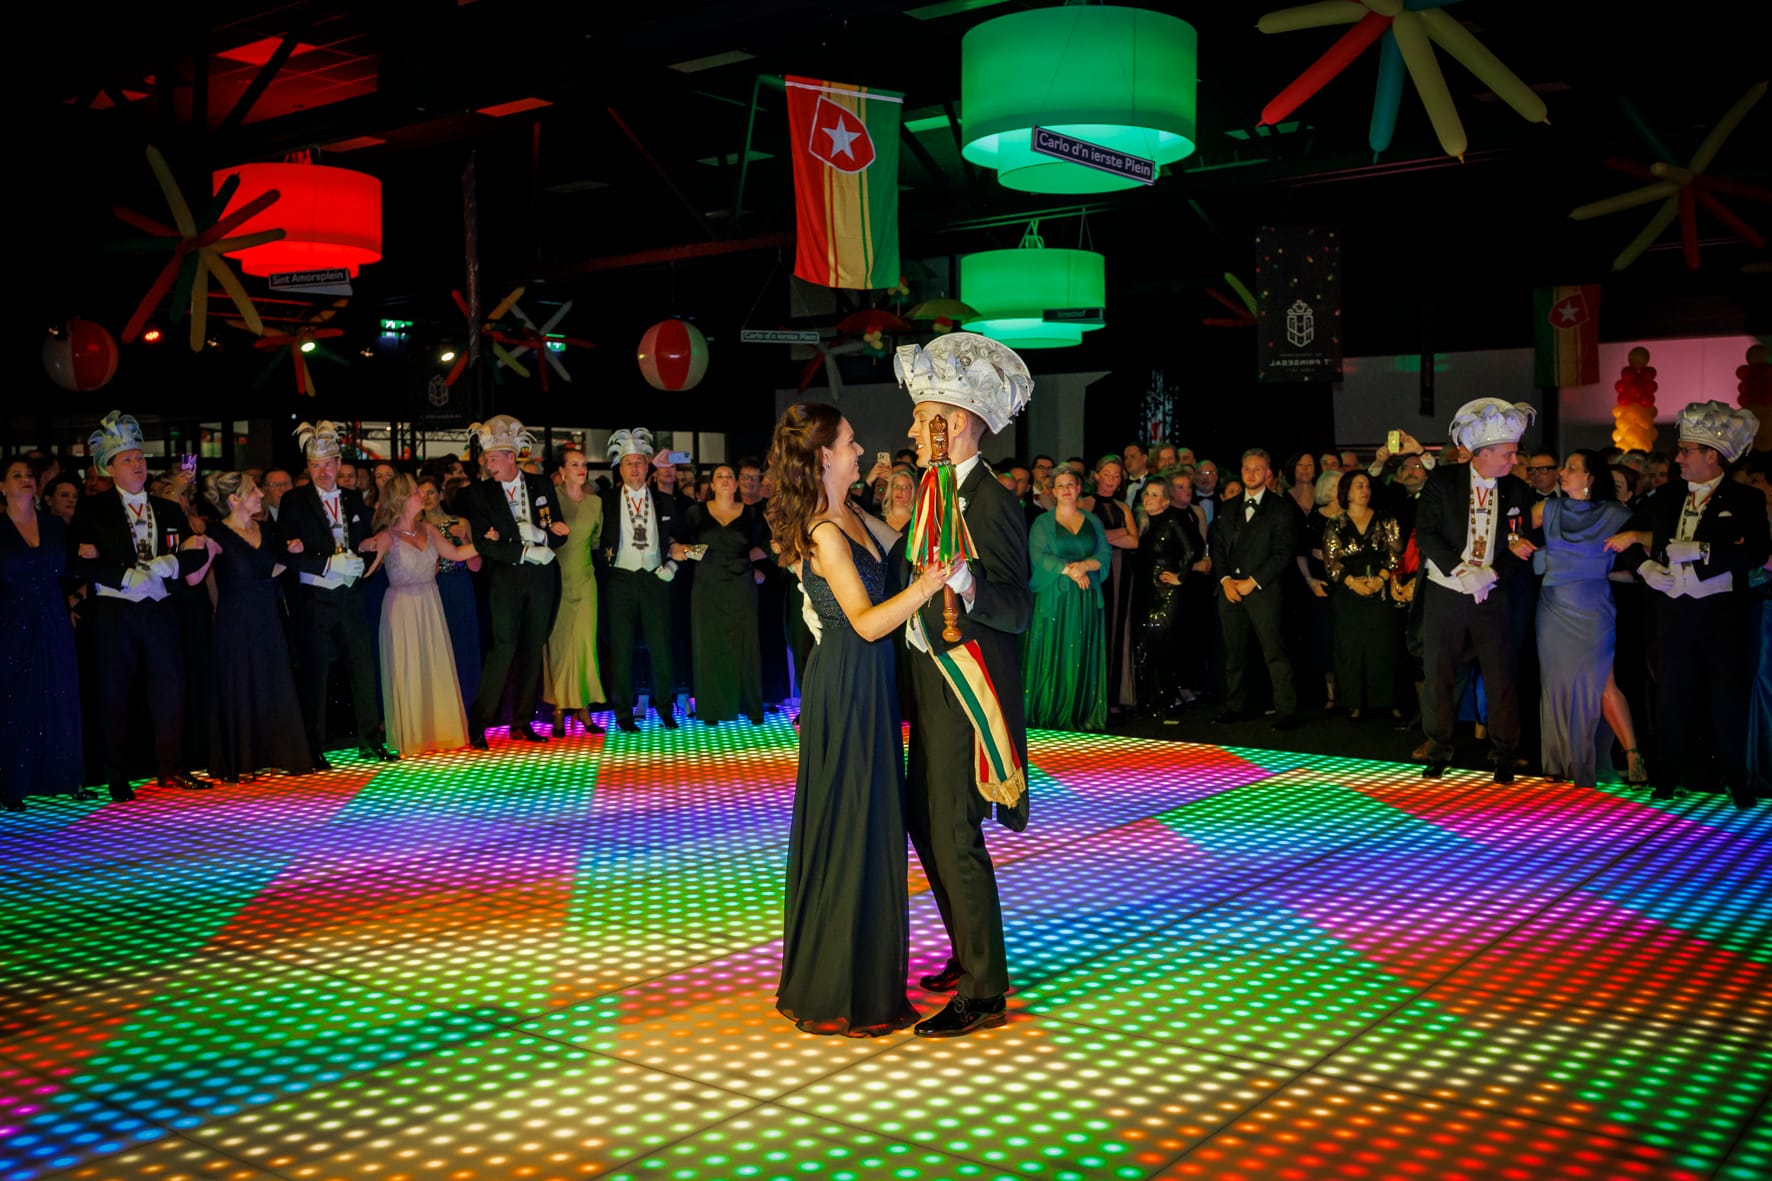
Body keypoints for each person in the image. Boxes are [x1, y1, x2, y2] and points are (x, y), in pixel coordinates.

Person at [766, 402, 956, 1037]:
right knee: (851, 823)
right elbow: (868, 622)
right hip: (847, 683)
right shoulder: (824, 529)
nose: (858, 450)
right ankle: (840, 984)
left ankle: (864, 974)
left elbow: (904, 547)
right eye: (849, 442)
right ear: (824, 456)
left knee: (871, 823)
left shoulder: (852, 512)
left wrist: (941, 491)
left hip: (869, 682)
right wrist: (928, 587)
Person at [891, 332, 1033, 1038]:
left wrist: (970, 585)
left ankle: (984, 990)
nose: (913, 431)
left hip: (963, 690)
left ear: (955, 424)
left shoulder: (993, 501)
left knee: (954, 831)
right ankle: (968, 949)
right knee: (925, 822)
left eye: (924, 420)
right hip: (928, 683)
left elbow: (1018, 607)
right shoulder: (934, 490)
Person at [1608, 402, 1768, 807]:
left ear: (1711, 455)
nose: (1678, 458)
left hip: (1722, 616)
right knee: (1671, 698)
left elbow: (1757, 552)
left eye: (1685, 451)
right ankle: (1667, 776)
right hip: (1673, 613)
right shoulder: (1666, 495)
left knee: (1727, 698)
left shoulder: (1745, 498)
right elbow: (1628, 537)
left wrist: (1704, 550)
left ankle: (1737, 780)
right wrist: (1645, 568)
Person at [66, 412, 214, 800]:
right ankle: (116, 775)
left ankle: (172, 768)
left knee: (171, 688)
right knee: (115, 692)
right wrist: (120, 573)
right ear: (110, 468)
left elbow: (196, 553)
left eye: (139, 457)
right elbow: (76, 560)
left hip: (159, 610)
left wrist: (174, 563)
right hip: (115, 613)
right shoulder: (94, 509)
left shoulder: (167, 509)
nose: (137, 464)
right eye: (127, 459)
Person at [1413, 399, 1537, 782]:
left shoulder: (1518, 490)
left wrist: (1492, 573)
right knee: (1439, 674)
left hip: (1494, 595)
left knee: (1500, 676)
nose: (1514, 460)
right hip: (1446, 591)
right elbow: (1426, 534)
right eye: (1507, 454)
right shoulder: (1443, 482)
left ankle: (1504, 753)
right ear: (1483, 453)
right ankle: (1438, 748)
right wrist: (1461, 570)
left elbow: (1522, 546)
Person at [1505, 451, 1636, 787]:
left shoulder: (1617, 514)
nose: (1563, 472)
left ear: (1590, 478)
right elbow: (1510, 527)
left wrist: (1635, 539)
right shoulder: (1548, 509)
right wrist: (1515, 541)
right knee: (1554, 684)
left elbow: (1653, 548)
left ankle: (1629, 755)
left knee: (1601, 683)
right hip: (1554, 608)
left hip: (1594, 608)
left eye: (1572, 468)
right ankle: (1558, 761)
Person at [278, 421, 395, 768]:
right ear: (308, 467)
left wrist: (366, 553)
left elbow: (361, 541)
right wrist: (327, 562)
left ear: (339, 464)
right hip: (315, 598)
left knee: (362, 667)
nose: (323, 472)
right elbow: (285, 551)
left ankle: (369, 741)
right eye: (316, 466)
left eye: (328, 464)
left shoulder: (352, 498)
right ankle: (312, 747)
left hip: (350, 595)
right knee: (316, 674)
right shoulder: (294, 500)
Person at [460, 416, 567, 748]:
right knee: (503, 648)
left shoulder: (541, 485)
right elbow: (484, 543)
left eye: (494, 458)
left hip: (542, 577)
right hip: (506, 580)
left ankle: (522, 722)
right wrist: (522, 551)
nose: (488, 464)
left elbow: (559, 531)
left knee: (533, 648)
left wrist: (546, 539)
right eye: (486, 459)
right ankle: (479, 723)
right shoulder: (479, 494)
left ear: (511, 457)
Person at [201, 471, 314, 782]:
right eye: (253, 491)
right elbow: (199, 578)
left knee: (271, 681)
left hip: (266, 615)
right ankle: (243, 759)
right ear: (234, 499)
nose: (261, 495)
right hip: (235, 619)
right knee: (241, 684)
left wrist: (290, 554)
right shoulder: (216, 534)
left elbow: (268, 569)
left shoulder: (265, 529)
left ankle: (275, 754)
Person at [359, 473, 478, 756]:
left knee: (434, 664)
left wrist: (490, 543)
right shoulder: (387, 536)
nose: (421, 496)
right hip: (402, 607)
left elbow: (456, 554)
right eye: (415, 492)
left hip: (430, 601)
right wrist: (364, 548)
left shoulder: (429, 529)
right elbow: (365, 572)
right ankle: (413, 736)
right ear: (401, 498)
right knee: (408, 667)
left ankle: (440, 732)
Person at [2, 456, 86, 809]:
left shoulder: (53, 526)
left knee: (60, 692)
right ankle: (11, 784)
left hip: (53, 617)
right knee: (16, 698)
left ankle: (65, 777)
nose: (26, 479)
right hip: (11, 620)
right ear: (2, 486)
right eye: (16, 475)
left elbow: (69, 570)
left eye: (29, 475)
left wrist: (79, 581)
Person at [599, 429, 692, 731]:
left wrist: (672, 561)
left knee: (661, 646)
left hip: (654, 579)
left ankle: (665, 708)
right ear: (620, 468)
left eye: (640, 462)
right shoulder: (605, 501)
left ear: (648, 466)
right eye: (629, 463)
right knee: (621, 648)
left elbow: (682, 540)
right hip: (620, 580)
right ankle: (623, 714)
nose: (635, 468)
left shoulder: (664, 501)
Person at [1209, 449, 1300, 730]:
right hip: (1230, 591)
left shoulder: (1281, 508)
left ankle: (1286, 710)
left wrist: (1253, 581)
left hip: (1264, 591)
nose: (1251, 474)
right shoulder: (1228, 507)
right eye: (1247, 469)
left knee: (1274, 652)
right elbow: (1218, 548)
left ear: (1268, 473)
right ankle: (1235, 706)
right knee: (1234, 653)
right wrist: (1225, 580)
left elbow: (1283, 553)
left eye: (1257, 469)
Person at [1023, 469, 1110, 732]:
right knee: (1053, 647)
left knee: (1081, 650)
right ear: (1052, 490)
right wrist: (1070, 570)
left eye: (1070, 484)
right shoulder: (1042, 523)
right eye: (1060, 485)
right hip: (1054, 595)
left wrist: (1084, 566)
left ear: (1079, 487)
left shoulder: (1092, 521)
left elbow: (1104, 554)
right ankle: (1048, 710)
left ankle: (1079, 710)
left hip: (1085, 596)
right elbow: (1038, 556)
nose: (1065, 490)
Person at [687, 464, 771, 726]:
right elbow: (680, 545)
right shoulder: (695, 512)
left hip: (740, 584)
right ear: (712, 484)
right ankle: (713, 709)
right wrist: (703, 555)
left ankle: (751, 707)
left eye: (729, 476)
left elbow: (768, 545)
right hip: (707, 585)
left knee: (746, 645)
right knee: (708, 645)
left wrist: (744, 559)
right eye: (719, 476)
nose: (725, 480)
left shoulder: (752, 514)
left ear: (736, 484)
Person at [1324, 470, 1403, 720]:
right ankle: (1353, 701)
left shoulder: (1385, 519)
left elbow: (1395, 553)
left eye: (1367, 485)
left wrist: (1380, 578)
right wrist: (1351, 582)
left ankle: (1388, 700)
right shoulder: (1336, 524)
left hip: (1380, 586)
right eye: (1359, 485)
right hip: (1348, 590)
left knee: (1383, 644)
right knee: (1350, 646)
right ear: (1347, 491)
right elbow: (1331, 562)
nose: (1364, 490)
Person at [541, 448, 606, 736]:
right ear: (562, 471)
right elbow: (540, 531)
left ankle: (583, 708)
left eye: (584, 464)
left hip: (586, 579)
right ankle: (559, 707)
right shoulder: (550, 498)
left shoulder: (595, 502)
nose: (581, 469)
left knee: (584, 644)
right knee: (558, 645)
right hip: (556, 579)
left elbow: (597, 541)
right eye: (575, 464)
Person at [1133, 478, 1200, 720]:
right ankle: (1149, 700)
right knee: (1145, 646)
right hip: (1145, 592)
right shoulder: (1143, 521)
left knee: (1161, 645)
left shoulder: (1173, 519)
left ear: (1166, 500)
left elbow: (1192, 550)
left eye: (1155, 494)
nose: (1148, 498)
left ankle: (1165, 700)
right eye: (1146, 494)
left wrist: (1180, 576)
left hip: (1165, 594)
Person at [419, 475, 483, 715]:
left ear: (441, 495)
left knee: (462, 644)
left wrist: (464, 538)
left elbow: (476, 566)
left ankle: (467, 706)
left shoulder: (460, 522)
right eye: (421, 493)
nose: (426, 498)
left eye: (431, 492)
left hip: (459, 587)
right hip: (429, 588)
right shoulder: (415, 527)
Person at [1085, 457, 1138, 717]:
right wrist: (1119, 534)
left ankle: (1113, 696)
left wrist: (1105, 537)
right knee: (1097, 629)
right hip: (1095, 570)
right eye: (1107, 474)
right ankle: (1093, 697)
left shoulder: (1122, 506)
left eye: (1117, 476)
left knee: (1117, 629)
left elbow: (1134, 541)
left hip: (1121, 572)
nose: (1112, 480)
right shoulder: (1085, 503)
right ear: (1097, 475)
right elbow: (1088, 538)